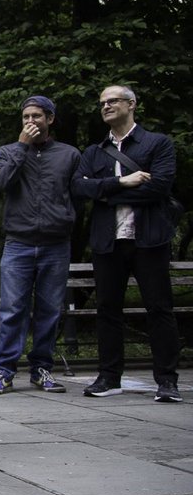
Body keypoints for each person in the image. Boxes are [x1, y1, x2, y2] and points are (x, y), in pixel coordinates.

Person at [73, 85, 181, 402]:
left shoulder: (157, 143)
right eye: (102, 102)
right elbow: (79, 189)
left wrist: (103, 191)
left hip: (149, 239)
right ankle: (109, 377)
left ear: (131, 104)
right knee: (107, 309)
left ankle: (166, 380)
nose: (106, 106)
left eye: (113, 101)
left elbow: (158, 188)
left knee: (159, 309)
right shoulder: (94, 152)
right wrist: (123, 181)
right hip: (109, 241)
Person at [0, 95, 81, 395]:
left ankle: (42, 369)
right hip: (18, 243)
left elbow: (77, 193)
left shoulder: (69, 154)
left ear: (50, 119)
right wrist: (22, 146)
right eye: (26, 117)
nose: (30, 122)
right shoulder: (6, 152)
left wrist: (66, 219)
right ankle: (4, 371)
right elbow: (0, 182)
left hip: (56, 243)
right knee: (12, 308)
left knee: (50, 309)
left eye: (37, 116)